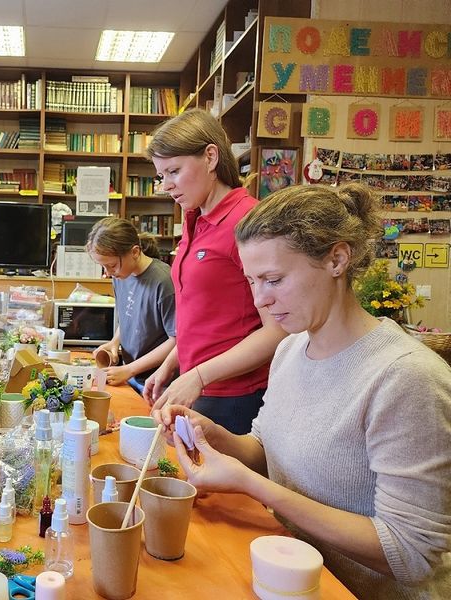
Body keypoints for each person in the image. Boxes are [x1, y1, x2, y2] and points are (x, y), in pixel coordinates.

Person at [158, 183, 451, 598]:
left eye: (273, 279)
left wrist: (249, 484)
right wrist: (210, 433)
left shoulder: (406, 379)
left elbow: (411, 555)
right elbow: (264, 450)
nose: (261, 300)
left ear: (337, 258)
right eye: (252, 282)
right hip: (287, 575)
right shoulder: (292, 348)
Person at [143, 108, 286, 433]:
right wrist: (170, 366)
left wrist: (199, 375)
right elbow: (205, 318)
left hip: (236, 395)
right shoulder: (195, 218)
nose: (165, 185)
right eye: (160, 175)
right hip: (198, 384)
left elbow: (278, 331)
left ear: (210, 157)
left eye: (174, 171)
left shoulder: (247, 222)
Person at [86, 218, 176, 394]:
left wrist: (130, 369)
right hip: (131, 374)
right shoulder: (120, 276)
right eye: (103, 267)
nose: (107, 273)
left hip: (159, 383)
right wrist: (114, 342)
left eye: (111, 265)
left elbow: (177, 340)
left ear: (134, 252)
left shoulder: (164, 281)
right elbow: (129, 315)